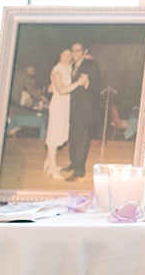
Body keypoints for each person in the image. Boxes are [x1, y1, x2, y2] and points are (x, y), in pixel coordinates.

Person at [64, 42, 103, 179]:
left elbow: (97, 86)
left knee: (81, 140)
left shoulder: (90, 65)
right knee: (73, 138)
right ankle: (73, 163)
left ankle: (79, 169)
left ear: (84, 51)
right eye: (73, 50)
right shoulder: (72, 66)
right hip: (73, 109)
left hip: (85, 110)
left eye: (78, 50)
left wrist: (87, 83)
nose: (74, 53)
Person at [44, 48, 80, 178]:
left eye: (69, 54)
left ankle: (48, 161)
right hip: (58, 106)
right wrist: (78, 83)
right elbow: (61, 90)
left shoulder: (68, 68)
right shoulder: (58, 70)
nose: (66, 57)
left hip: (65, 106)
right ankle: (53, 170)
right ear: (59, 56)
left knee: (60, 134)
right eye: (63, 54)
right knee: (54, 136)